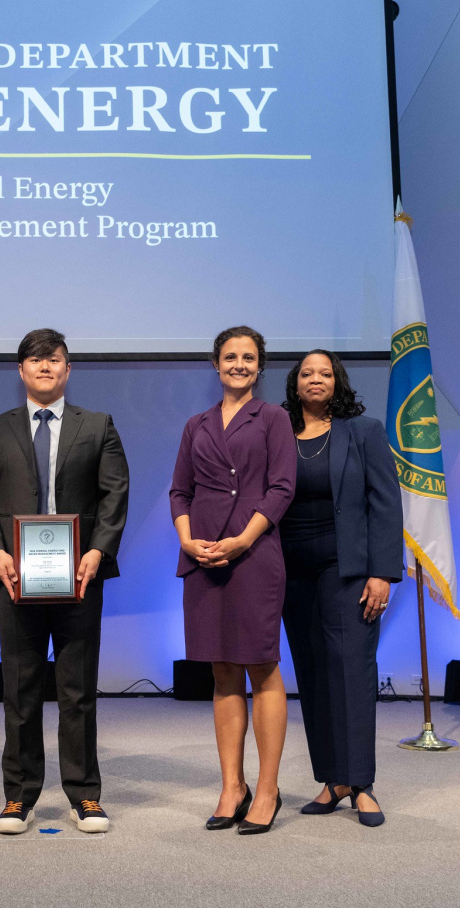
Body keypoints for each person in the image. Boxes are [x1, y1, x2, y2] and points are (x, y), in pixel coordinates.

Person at [0, 328, 129, 835]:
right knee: (20, 689)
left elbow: (115, 494)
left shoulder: (98, 425)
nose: (44, 367)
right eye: (34, 361)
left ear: (67, 369)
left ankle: (84, 795)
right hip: (16, 579)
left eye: (54, 360)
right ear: (21, 371)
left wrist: (99, 550)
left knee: (77, 691)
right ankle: (19, 797)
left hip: (80, 578)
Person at [169, 326, 296, 835]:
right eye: (230, 357)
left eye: (248, 357)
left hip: (255, 554)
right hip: (203, 557)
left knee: (261, 667)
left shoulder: (274, 418)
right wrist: (185, 539)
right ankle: (232, 786)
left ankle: (267, 789)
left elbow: (283, 487)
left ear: (259, 367)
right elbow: (179, 491)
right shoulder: (195, 423)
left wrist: (244, 540)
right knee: (222, 672)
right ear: (215, 365)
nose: (239, 364)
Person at [279, 350, 402, 827]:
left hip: (347, 570)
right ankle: (332, 780)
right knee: (311, 672)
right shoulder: (279, 432)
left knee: (351, 670)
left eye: (325, 373)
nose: (316, 379)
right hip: (290, 570)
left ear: (338, 381)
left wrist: (382, 573)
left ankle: (362, 784)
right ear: (295, 383)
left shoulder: (364, 431)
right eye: (307, 373)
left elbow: (386, 505)